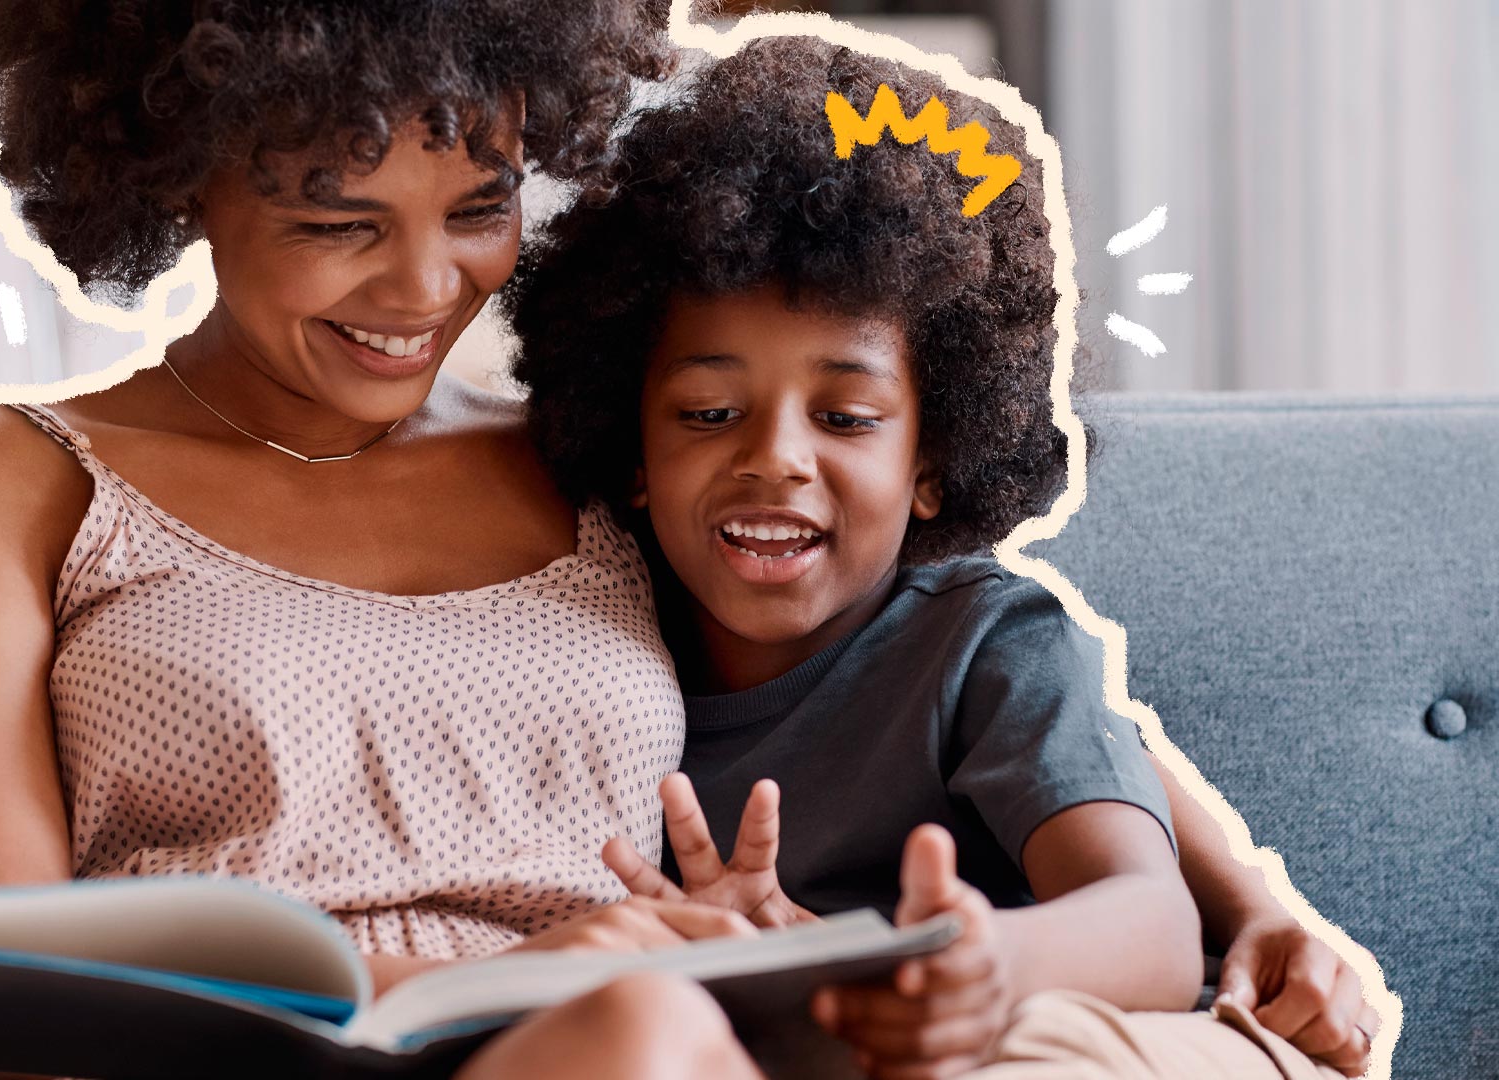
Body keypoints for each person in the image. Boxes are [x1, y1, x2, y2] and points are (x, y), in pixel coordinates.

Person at [0, 2, 766, 1076]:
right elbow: (1, 984)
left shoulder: (593, 462)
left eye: (481, 210)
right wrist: (503, 986)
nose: (426, 290)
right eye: (338, 224)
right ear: (179, 174)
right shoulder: (14, 476)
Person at [509, 37, 1379, 1078]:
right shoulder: (598, 664)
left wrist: (972, 966)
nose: (775, 458)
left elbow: (1150, 925)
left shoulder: (981, 640)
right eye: (707, 411)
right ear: (633, 450)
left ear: (936, 461)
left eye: (845, 415)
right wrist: (778, 972)